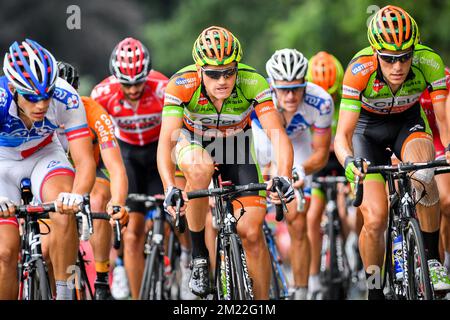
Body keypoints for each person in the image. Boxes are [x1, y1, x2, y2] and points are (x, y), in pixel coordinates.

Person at [157, 26, 295, 299]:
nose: (222, 80)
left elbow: (277, 133)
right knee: (201, 168)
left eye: (229, 72)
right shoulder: (181, 85)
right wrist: (169, 187)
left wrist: (284, 174)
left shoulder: (253, 82)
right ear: (200, 71)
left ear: (237, 68)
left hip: (236, 144)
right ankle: (199, 256)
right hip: (192, 140)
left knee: (252, 233)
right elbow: (166, 143)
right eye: (213, 74)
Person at [334, 5, 450, 299]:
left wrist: (448, 148)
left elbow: (443, 119)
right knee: (374, 219)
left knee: (424, 172)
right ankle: (374, 288)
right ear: (375, 53)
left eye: (404, 57)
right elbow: (343, 135)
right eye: (388, 58)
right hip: (366, 131)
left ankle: (432, 259)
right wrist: (348, 161)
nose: (397, 66)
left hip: (407, 124)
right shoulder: (359, 71)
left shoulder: (430, 62)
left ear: (415, 50)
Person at [0, 39, 96, 300]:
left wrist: (77, 195)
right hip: (2, 161)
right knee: (5, 252)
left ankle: (63, 294)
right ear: (12, 87)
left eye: (46, 95)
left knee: (63, 208)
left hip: (45, 154)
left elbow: (85, 161)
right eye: (31, 97)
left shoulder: (66, 96)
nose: (41, 104)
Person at [91, 37, 176, 299]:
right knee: (132, 234)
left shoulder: (163, 87)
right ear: (115, 78)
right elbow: (93, 136)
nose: (134, 89)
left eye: (139, 82)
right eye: (127, 84)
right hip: (127, 156)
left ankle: (185, 261)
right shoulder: (101, 95)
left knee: (177, 213)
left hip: (159, 152)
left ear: (148, 74)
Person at [251, 48, 333, 299]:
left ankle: (301, 290)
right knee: (250, 218)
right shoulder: (257, 98)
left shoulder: (321, 102)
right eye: (284, 88)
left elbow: (320, 154)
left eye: (297, 88)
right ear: (272, 85)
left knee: (298, 220)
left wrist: (300, 169)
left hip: (298, 144)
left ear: (305, 84)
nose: (290, 95)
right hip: (261, 139)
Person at [56, 61, 129, 300]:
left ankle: (100, 281)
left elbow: (116, 168)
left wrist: (117, 202)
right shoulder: (37, 110)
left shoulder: (93, 111)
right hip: (53, 175)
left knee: (99, 199)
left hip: (88, 171)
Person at [303, 51, 352, 298]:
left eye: (331, 93)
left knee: (352, 210)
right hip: (319, 162)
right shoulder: (306, 102)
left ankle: (355, 253)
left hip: (344, 159)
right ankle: (313, 279)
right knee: (312, 217)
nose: (327, 98)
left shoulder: (347, 99)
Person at [420, 66, 450, 275]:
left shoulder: (442, 75)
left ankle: (445, 261)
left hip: (439, 139)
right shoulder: (392, 79)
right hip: (412, 139)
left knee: (446, 201)